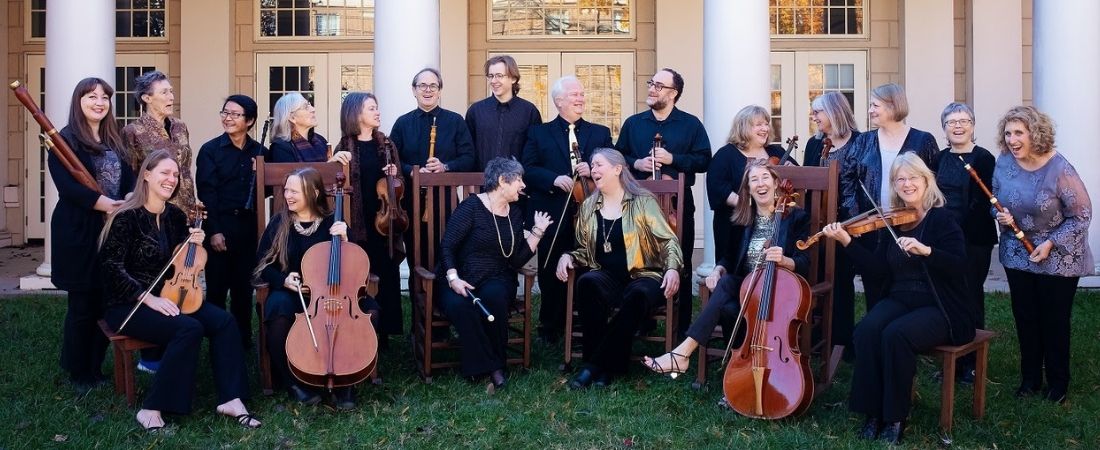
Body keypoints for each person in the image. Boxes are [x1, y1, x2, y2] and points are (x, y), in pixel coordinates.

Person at [99, 150, 260, 431]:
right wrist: (148, 298)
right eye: (164, 173)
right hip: (128, 304)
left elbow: (182, 265)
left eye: (175, 175)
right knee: (188, 329)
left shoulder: (174, 216)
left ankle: (232, 399)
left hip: (171, 296)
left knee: (223, 321)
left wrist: (195, 242)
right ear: (146, 176)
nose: (171, 180)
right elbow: (111, 268)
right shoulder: (126, 217)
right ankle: (152, 408)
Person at [821, 153, 975, 445]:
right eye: (900, 179)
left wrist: (927, 251)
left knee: (896, 335)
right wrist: (847, 242)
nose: (907, 184)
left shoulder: (942, 219)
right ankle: (872, 413)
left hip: (939, 305)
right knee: (866, 331)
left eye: (912, 177)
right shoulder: (891, 221)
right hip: (901, 298)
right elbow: (878, 270)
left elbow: (959, 265)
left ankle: (894, 418)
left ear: (926, 180)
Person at [645, 160, 808, 377]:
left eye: (765, 178)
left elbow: (806, 261)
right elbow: (729, 258)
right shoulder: (743, 220)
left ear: (776, 183)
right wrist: (717, 269)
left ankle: (687, 356)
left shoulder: (796, 218)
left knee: (729, 304)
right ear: (748, 189)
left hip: (780, 293)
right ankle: (737, 368)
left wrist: (786, 260)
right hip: (747, 291)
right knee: (727, 284)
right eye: (754, 180)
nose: (761, 184)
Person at [254, 167, 381, 409]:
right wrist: (283, 280)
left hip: (336, 293)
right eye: (286, 190)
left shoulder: (334, 223)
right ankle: (292, 382)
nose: (288, 195)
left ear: (313, 192)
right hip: (296, 294)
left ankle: (347, 381)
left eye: (294, 191)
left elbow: (358, 265)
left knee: (371, 311)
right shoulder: (280, 223)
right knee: (277, 308)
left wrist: (347, 238)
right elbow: (261, 266)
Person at [557, 148, 682, 389]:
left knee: (637, 295)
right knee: (587, 283)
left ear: (618, 169)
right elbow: (584, 249)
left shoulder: (643, 201)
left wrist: (673, 268)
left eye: (599, 164)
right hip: (607, 277)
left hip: (644, 274)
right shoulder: (588, 207)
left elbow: (668, 241)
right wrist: (568, 256)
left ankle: (593, 366)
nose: (593, 169)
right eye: (592, 165)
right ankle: (608, 367)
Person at [992, 105, 1092, 404]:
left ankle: (1058, 383)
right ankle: (1030, 379)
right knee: (1025, 317)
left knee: (1054, 320)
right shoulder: (1004, 162)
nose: (1012, 139)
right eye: (1008, 133)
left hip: (1058, 256)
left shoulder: (1060, 169)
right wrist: (1000, 216)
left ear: (1035, 134)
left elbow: (1082, 215)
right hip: (1016, 253)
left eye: (1018, 133)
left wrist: (1050, 243)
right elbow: (995, 200)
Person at [52, 77, 136, 391]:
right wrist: (105, 205)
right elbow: (69, 187)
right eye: (91, 97)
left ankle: (96, 368)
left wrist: (127, 199)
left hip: (112, 228)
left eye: (104, 97)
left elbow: (129, 178)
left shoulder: (115, 139)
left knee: (106, 301)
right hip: (80, 230)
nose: (99, 102)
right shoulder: (65, 139)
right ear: (79, 102)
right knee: (83, 304)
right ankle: (78, 371)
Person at [439, 158, 552, 388]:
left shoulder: (516, 213)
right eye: (518, 179)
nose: (523, 185)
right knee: (462, 307)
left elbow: (517, 258)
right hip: (459, 277)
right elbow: (447, 245)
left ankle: (485, 366)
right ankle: (494, 367)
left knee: (495, 298)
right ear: (502, 180)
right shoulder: (471, 208)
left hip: (496, 276)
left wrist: (538, 232)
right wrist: (453, 278)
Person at [615, 68, 710, 334]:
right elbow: (618, 155)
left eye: (658, 85)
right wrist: (636, 162)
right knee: (638, 260)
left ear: (673, 93)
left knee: (680, 260)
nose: (651, 88)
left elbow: (704, 160)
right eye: (651, 83)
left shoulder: (690, 124)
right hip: (638, 203)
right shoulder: (634, 124)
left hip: (678, 205)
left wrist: (673, 160)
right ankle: (640, 321)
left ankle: (680, 328)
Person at [521, 75, 613, 342]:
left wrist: (595, 169)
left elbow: (616, 167)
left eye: (582, 94)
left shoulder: (600, 132)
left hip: (592, 213)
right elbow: (528, 168)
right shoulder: (538, 133)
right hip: (553, 210)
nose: (580, 98)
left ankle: (587, 323)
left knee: (589, 266)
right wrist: (553, 179)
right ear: (559, 101)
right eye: (574, 95)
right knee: (551, 269)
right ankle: (550, 326)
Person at [839, 83, 938, 308]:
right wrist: (857, 217)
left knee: (909, 281)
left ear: (893, 106)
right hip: (872, 225)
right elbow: (847, 181)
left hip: (911, 223)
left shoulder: (923, 140)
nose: (870, 110)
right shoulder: (863, 141)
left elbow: (933, 181)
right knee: (874, 284)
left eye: (875, 105)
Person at [390, 68, 475, 288]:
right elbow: (391, 158)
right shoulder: (402, 123)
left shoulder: (455, 121)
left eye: (433, 86)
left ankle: (443, 307)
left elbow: (469, 157)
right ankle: (420, 307)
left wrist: (445, 166)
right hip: (411, 201)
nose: (427, 90)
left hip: (445, 201)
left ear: (440, 91)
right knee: (416, 253)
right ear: (414, 90)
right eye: (422, 86)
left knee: (446, 251)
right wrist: (412, 171)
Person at [930, 102, 996, 383]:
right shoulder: (939, 158)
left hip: (972, 238)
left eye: (963, 120)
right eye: (951, 121)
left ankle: (970, 362)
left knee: (969, 295)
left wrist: (954, 230)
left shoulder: (984, 158)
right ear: (944, 128)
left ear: (973, 125)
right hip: (944, 237)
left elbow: (982, 202)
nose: (958, 126)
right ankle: (951, 358)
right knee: (945, 294)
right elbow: (931, 196)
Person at [195, 94, 266, 349]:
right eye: (225, 112)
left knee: (242, 289)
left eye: (236, 114)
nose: (228, 118)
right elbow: (206, 192)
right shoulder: (210, 150)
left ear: (250, 121)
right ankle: (216, 341)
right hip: (220, 225)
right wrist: (214, 231)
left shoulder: (260, 152)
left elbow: (269, 189)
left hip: (248, 228)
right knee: (216, 287)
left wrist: (261, 176)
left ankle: (243, 340)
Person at [335, 92, 405, 344]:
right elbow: (335, 184)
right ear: (356, 114)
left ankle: (384, 332)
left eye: (377, 108)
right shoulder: (344, 146)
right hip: (357, 222)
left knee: (386, 272)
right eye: (371, 108)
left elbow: (399, 185)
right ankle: (359, 328)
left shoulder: (386, 144)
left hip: (384, 222)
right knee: (359, 274)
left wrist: (394, 174)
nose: (377, 112)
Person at [802, 91, 862, 357]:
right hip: (818, 220)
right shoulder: (815, 145)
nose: (814, 117)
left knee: (842, 279)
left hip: (851, 220)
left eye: (818, 112)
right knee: (816, 276)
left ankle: (841, 339)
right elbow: (806, 183)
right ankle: (817, 333)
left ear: (835, 112)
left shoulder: (861, 142)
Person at [706, 105, 786, 261]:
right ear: (743, 128)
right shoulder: (725, 155)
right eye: (758, 125)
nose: (765, 128)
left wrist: (790, 168)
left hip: (772, 224)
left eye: (766, 124)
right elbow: (718, 189)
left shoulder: (777, 152)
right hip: (735, 224)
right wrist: (751, 207)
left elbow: (794, 180)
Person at [120, 70, 197, 212]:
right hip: (153, 210)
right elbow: (130, 177)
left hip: (186, 210)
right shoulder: (132, 131)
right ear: (147, 98)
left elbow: (185, 169)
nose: (171, 97)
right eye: (164, 93)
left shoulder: (180, 127)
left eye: (171, 92)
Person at [465, 55, 542, 169]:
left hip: (518, 184)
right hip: (483, 183)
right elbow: (468, 151)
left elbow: (535, 153)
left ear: (513, 78)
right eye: (490, 76)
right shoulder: (476, 111)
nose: (494, 81)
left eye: (499, 76)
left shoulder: (529, 111)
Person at [267, 92, 350, 164]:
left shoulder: (320, 140)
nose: (313, 109)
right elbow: (292, 179)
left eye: (310, 105)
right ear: (292, 118)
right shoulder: (281, 148)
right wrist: (329, 165)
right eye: (306, 107)